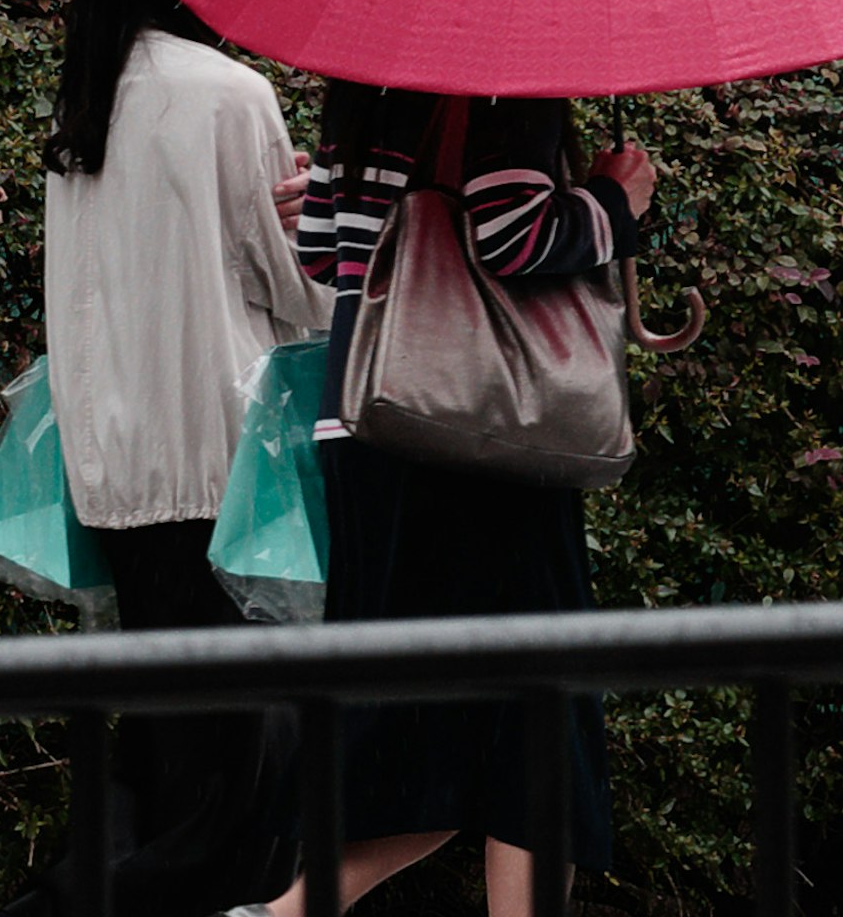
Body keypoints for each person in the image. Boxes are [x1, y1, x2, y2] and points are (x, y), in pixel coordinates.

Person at [6, 0, 324, 917]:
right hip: (225, 477)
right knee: (241, 795)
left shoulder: (85, 108)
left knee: (163, 766)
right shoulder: (230, 94)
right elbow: (301, 301)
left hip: (119, 482)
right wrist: (330, 214)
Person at [259, 88, 658, 917]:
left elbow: (329, 254)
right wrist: (616, 198)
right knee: (537, 714)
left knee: (420, 719)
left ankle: (280, 916)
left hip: (370, 417)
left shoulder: (364, 77)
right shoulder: (509, 75)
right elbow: (512, 234)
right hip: (477, 438)